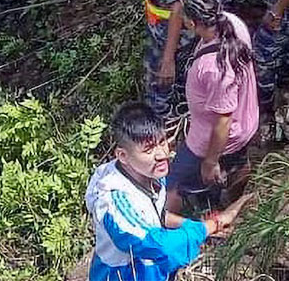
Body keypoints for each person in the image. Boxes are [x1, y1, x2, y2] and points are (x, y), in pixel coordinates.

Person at [85, 101, 250, 281]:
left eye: (162, 142)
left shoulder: (146, 173)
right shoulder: (114, 203)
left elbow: (155, 215)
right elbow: (161, 247)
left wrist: (191, 225)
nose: (162, 154)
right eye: (148, 150)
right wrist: (209, 226)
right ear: (123, 155)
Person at [166, 0, 259, 214]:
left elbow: (223, 120)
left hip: (215, 139)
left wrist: (210, 161)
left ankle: (178, 226)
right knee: (234, 165)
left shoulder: (214, 68)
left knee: (174, 187)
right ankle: (224, 203)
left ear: (191, 23)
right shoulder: (232, 23)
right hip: (245, 123)